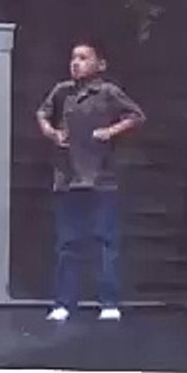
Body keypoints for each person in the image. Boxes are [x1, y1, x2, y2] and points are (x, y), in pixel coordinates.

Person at [36, 41, 146, 322]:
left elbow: (136, 115)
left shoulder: (107, 92)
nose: (76, 62)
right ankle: (63, 303)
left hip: (101, 179)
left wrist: (111, 131)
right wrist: (52, 133)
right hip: (69, 178)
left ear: (99, 64)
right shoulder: (63, 91)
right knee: (68, 243)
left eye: (83, 58)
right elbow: (42, 114)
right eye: (73, 57)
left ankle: (108, 302)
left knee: (105, 242)